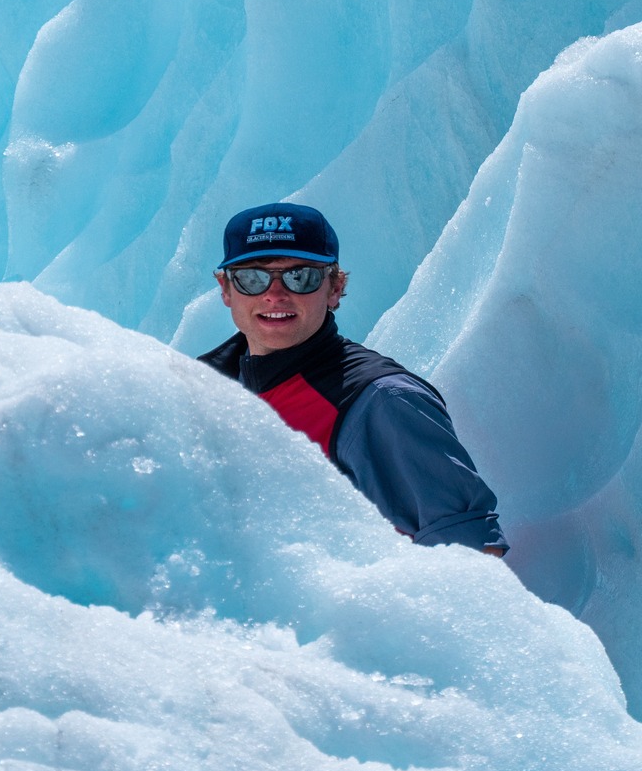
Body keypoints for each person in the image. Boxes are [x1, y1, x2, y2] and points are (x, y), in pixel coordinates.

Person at [199, 202, 509, 556]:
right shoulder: (208, 384)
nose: (274, 294)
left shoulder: (381, 402)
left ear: (334, 288)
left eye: (300, 276)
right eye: (252, 277)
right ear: (226, 289)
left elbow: (473, 560)